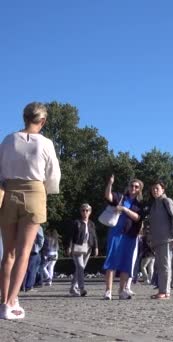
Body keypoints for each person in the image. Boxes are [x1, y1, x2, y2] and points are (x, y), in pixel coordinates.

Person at [0, 102, 61, 320]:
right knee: (25, 252)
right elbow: (53, 176)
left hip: (9, 192)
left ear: (24, 117)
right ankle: (11, 302)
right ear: (42, 121)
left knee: (8, 252)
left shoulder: (8, 140)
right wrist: (47, 190)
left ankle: (3, 300)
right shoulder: (45, 143)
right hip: (35, 192)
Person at [102, 175, 143, 300]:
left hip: (130, 234)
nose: (133, 188)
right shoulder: (121, 197)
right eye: (132, 185)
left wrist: (125, 209)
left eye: (136, 187)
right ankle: (108, 291)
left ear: (140, 189)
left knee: (126, 262)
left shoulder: (139, 204)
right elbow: (108, 196)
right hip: (115, 232)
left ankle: (121, 290)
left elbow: (138, 218)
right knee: (111, 260)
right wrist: (110, 183)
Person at [148, 181, 173, 299]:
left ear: (163, 190)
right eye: (153, 189)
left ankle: (165, 291)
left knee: (165, 265)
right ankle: (163, 290)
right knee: (161, 265)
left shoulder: (166, 201)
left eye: (157, 188)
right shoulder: (154, 205)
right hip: (158, 239)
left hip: (166, 238)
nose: (155, 191)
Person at [67, 203, 98, 297]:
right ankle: (81, 288)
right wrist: (69, 247)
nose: (85, 212)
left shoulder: (91, 224)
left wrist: (96, 247)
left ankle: (73, 288)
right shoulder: (77, 223)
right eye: (83, 210)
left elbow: (94, 236)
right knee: (80, 267)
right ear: (80, 212)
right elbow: (71, 236)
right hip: (77, 247)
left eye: (87, 210)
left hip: (88, 248)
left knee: (80, 268)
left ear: (90, 212)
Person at [22, 226, 44, 292]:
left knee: (24, 268)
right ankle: (28, 286)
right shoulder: (37, 227)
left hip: (23, 249)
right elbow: (40, 239)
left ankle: (22, 286)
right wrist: (37, 248)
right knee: (32, 270)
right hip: (33, 250)